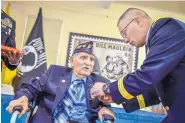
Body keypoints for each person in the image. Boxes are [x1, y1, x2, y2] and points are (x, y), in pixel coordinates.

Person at [90, 8, 185, 123]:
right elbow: (154, 91)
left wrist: (107, 88)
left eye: (124, 32)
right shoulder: (157, 39)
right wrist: (115, 97)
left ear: (138, 21)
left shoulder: (169, 29)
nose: (125, 40)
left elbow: (147, 76)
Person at [6, 41, 116, 123]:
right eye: (83, 57)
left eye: (92, 59)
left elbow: (105, 105)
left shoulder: (101, 82)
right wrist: (23, 98)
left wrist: (105, 109)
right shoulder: (55, 73)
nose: (88, 62)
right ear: (72, 61)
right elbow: (30, 88)